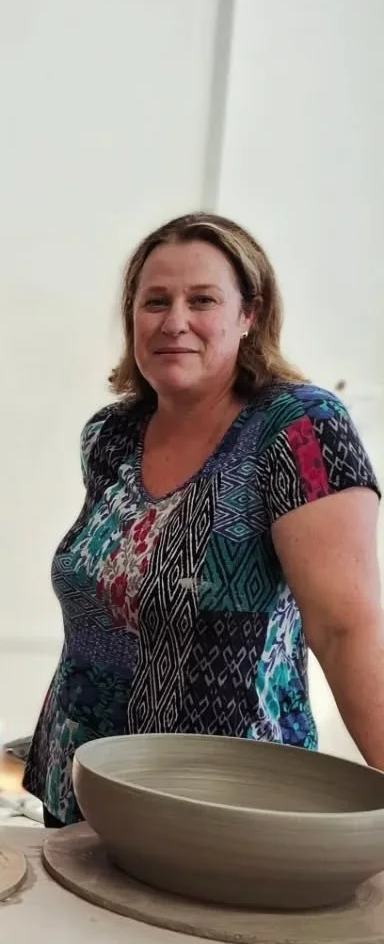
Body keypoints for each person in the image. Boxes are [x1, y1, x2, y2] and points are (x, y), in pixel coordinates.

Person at [25, 213, 383, 827]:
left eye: (203, 300)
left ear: (249, 315)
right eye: (155, 301)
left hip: (223, 802)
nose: (175, 322)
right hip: (83, 784)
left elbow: (345, 628)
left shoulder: (298, 428)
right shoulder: (110, 435)